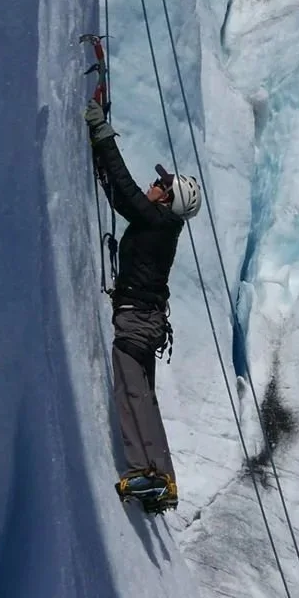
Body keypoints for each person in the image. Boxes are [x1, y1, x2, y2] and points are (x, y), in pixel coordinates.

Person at [86, 98, 202, 512]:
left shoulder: (155, 222)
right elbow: (123, 194)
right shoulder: (160, 225)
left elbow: (126, 188)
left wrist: (101, 133)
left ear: (167, 201)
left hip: (137, 322)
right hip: (146, 322)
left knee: (132, 394)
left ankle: (151, 476)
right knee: (141, 395)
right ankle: (157, 479)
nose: (156, 185)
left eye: (162, 186)